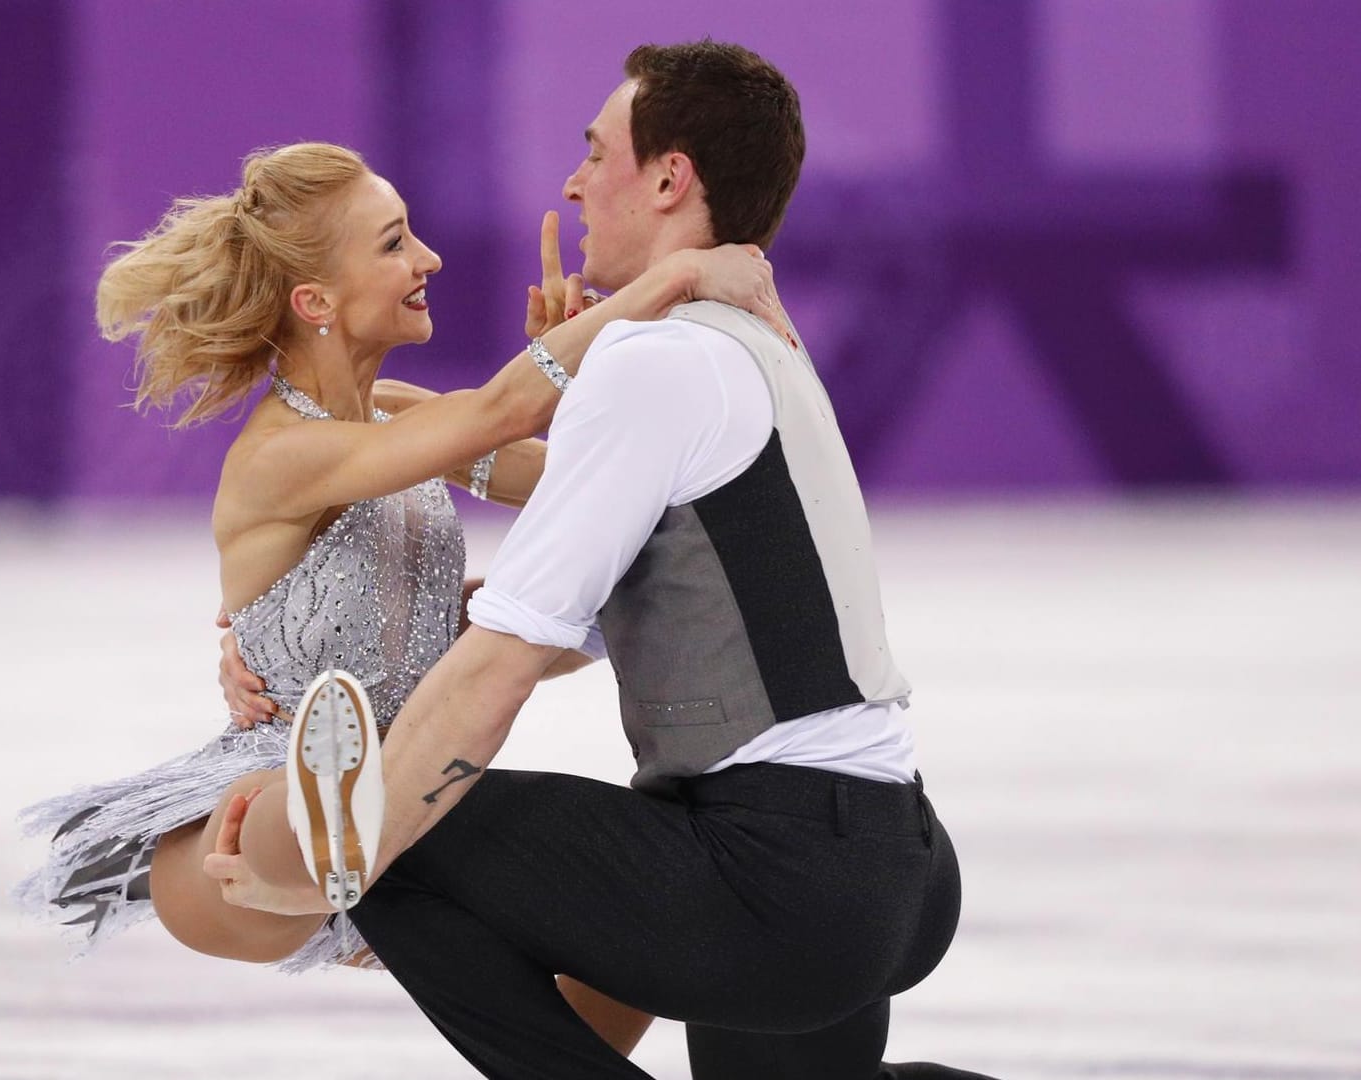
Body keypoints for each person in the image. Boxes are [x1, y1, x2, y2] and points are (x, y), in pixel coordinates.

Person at [212, 44, 997, 1080]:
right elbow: (599, 614)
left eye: (597, 154)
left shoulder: (658, 358)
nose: (576, 183)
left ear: (671, 179)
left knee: (388, 835)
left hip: (780, 876)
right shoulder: (743, 341)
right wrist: (286, 637)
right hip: (891, 867)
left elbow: (498, 672)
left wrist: (326, 873)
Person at [14, 140, 782, 1050]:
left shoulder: (402, 416)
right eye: (393, 244)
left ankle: (377, 847)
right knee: (278, 818)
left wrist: (591, 376)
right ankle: (329, 816)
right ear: (316, 302)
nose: (429, 259)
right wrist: (664, 284)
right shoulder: (281, 455)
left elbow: (588, 481)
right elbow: (499, 411)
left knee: (632, 962)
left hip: (415, 802)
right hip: (240, 838)